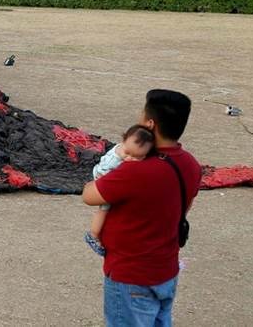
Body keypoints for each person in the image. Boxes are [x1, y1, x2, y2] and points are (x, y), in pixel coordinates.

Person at [83, 89, 201, 326]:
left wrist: (118, 158)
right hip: (165, 271)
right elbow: (182, 210)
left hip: (131, 276)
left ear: (150, 124)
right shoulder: (190, 164)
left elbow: (89, 194)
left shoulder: (135, 170)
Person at [84, 124, 156, 256]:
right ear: (123, 141)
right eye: (127, 153)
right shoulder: (114, 162)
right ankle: (93, 234)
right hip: (102, 178)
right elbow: (105, 177)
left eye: (137, 157)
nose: (129, 158)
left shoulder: (125, 147)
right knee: (104, 209)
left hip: (106, 175)